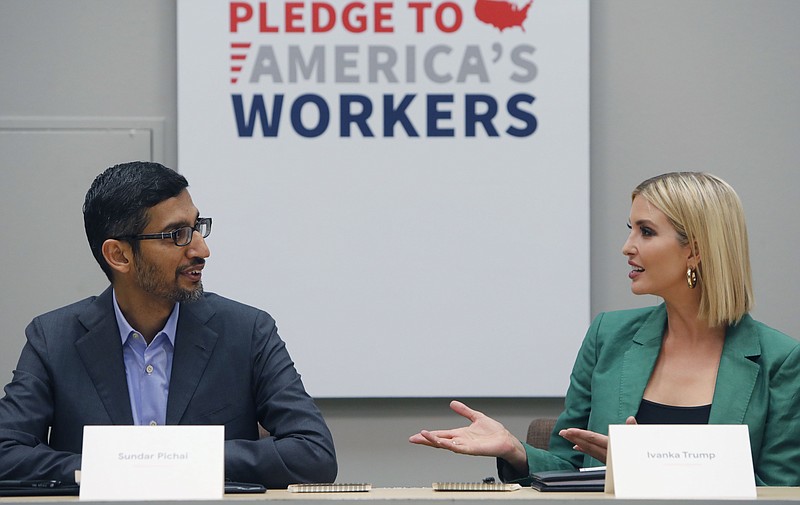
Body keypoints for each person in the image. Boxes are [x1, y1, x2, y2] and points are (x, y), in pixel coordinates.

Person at [409, 172, 800, 486]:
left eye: (646, 232)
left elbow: (781, 490)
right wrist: (516, 450)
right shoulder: (608, 335)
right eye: (631, 229)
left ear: (695, 250)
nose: (627, 246)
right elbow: (569, 465)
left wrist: (652, 466)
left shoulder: (780, 360)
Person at [0, 161, 337, 488]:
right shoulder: (53, 339)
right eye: (178, 234)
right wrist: (112, 466)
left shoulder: (247, 332)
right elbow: (6, 453)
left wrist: (182, 460)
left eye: (197, 227)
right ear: (119, 255)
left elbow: (313, 453)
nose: (201, 249)